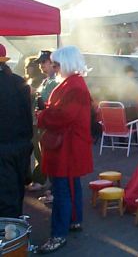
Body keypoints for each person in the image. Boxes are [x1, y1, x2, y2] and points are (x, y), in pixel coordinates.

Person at [36, 45, 94, 253]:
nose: (54, 67)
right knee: (71, 185)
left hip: (66, 146)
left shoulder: (74, 86)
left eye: (57, 64)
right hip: (70, 144)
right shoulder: (74, 83)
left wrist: (42, 115)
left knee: (61, 190)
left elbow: (63, 116)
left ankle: (58, 235)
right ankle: (74, 220)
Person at [0, 44, 33, 217]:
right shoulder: (20, 82)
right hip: (21, 146)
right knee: (16, 193)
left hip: (3, 148)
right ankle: (15, 236)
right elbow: (27, 116)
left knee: (5, 198)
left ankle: (7, 238)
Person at [27, 50, 60, 194]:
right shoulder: (47, 80)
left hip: (48, 125)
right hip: (39, 123)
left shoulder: (56, 81)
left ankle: (54, 188)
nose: (41, 65)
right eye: (40, 62)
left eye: (44, 62)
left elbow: (50, 104)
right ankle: (44, 183)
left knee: (48, 156)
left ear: (53, 63)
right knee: (41, 154)